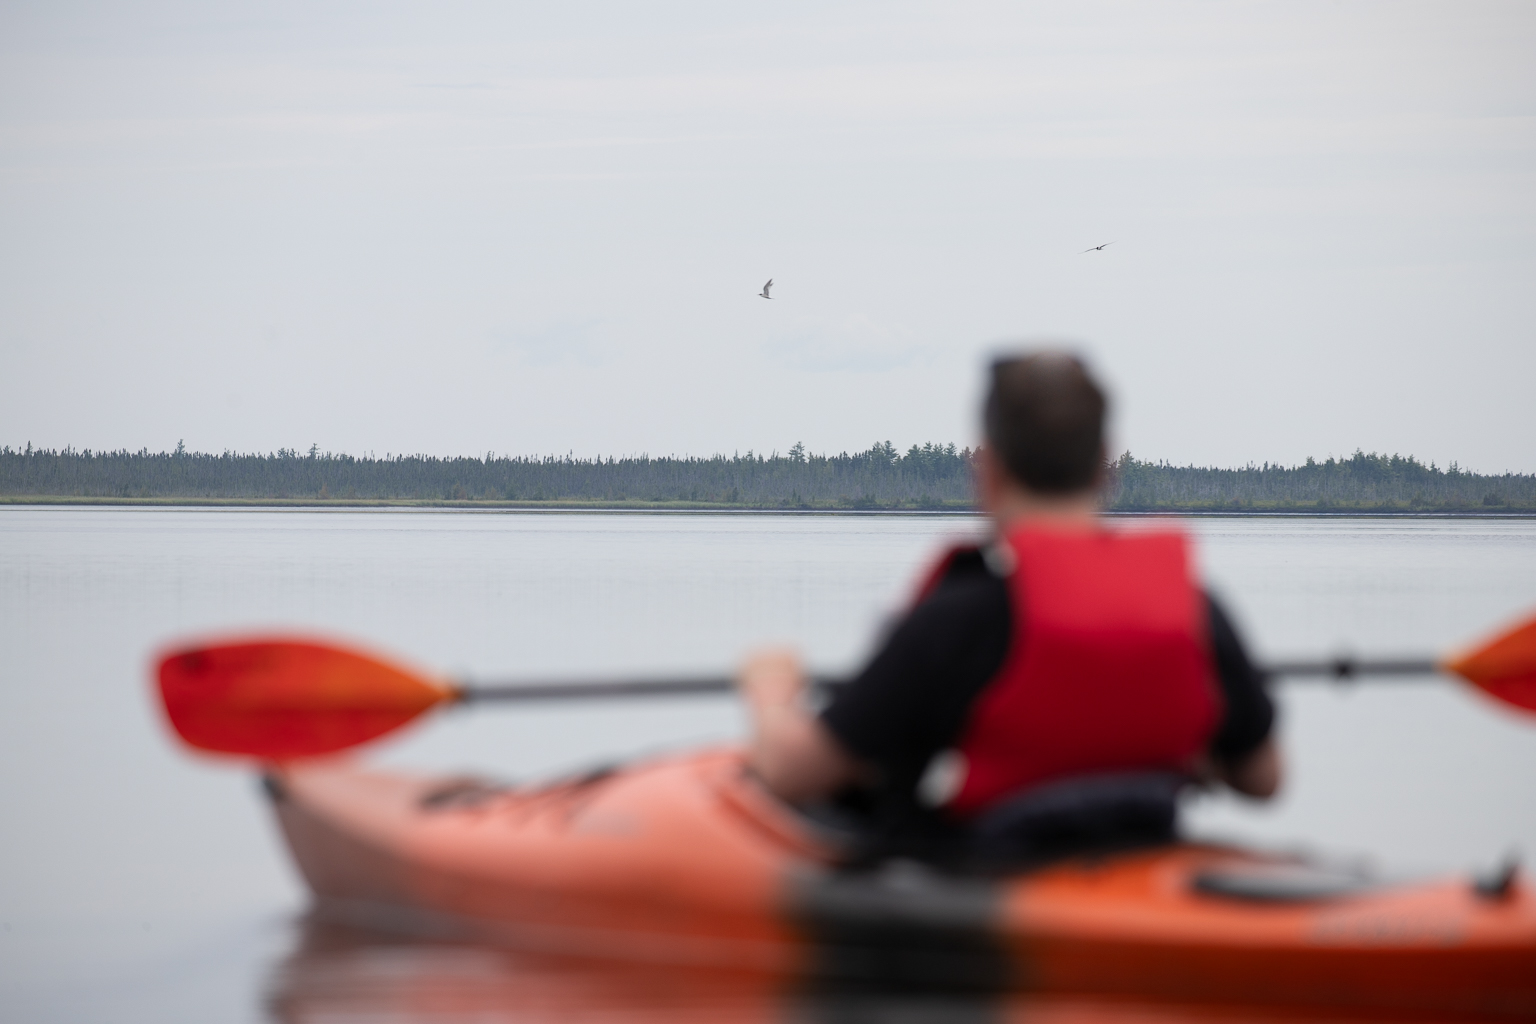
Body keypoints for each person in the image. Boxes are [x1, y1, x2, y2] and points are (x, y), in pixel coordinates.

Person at [739, 352, 1280, 861]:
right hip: (1142, 862)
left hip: (1000, 881)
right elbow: (1263, 777)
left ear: (990, 471)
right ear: (1104, 467)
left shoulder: (961, 620)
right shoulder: (1193, 610)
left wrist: (772, 691)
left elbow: (793, 773)